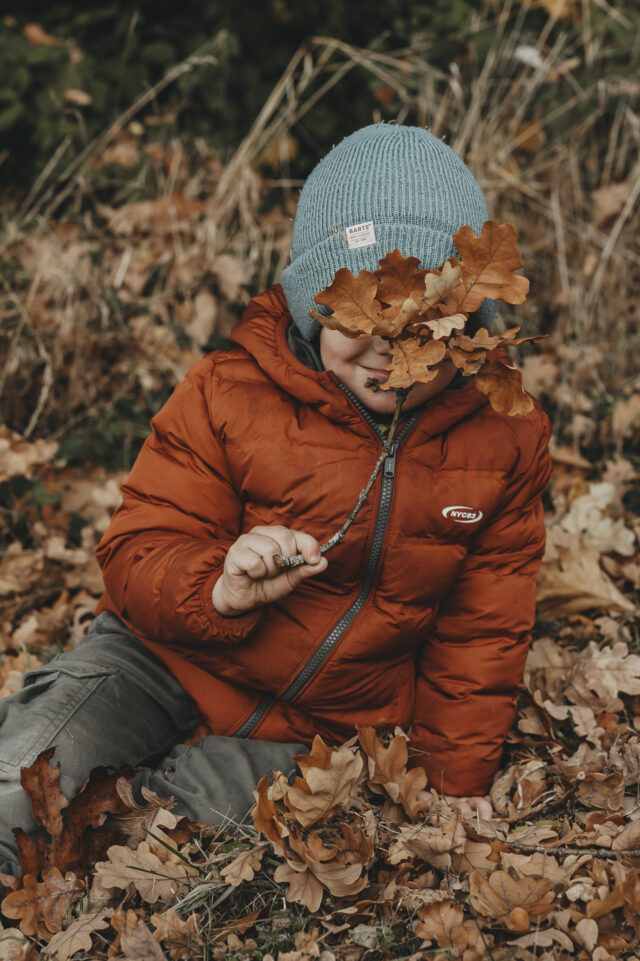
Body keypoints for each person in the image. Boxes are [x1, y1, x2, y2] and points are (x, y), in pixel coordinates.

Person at [0, 123, 551, 879]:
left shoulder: (502, 440)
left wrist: (455, 780)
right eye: (362, 316)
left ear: (467, 320)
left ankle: (144, 837)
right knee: (27, 782)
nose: (391, 344)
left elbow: (482, 627)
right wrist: (216, 586)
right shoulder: (228, 395)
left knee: (154, 844)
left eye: (421, 318)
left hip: (322, 727)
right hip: (160, 660)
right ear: (311, 306)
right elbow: (136, 549)